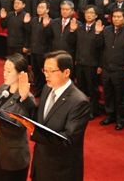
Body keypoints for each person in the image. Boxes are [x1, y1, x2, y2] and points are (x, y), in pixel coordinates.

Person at [18, 50, 90, 181]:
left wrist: (35, 132)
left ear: (66, 72)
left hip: (61, 171)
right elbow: (39, 119)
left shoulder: (79, 102)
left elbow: (68, 139)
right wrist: (24, 98)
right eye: (45, 70)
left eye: (51, 71)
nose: (46, 75)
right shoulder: (47, 88)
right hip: (40, 164)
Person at [0, 55, 34, 181]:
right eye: (4, 70)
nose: (4, 74)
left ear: (20, 74)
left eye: (9, 71)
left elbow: (18, 127)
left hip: (13, 156)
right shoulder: (4, 88)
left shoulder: (26, 98)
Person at [98, 8, 124, 130]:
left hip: (121, 69)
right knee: (108, 94)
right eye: (114, 17)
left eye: (119, 17)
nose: (116, 19)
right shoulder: (106, 30)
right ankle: (110, 116)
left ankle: (121, 120)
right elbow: (100, 48)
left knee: (120, 97)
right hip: (107, 68)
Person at [69, 5, 104, 119]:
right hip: (80, 62)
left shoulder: (99, 28)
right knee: (81, 89)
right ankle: (82, 110)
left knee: (92, 90)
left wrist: (98, 33)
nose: (88, 15)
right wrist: (72, 31)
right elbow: (72, 43)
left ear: (96, 15)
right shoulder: (79, 27)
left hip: (92, 64)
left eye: (91, 13)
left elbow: (101, 47)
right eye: (86, 13)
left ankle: (93, 111)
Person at [24, 0, 51, 97]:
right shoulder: (34, 20)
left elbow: (49, 37)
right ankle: (37, 89)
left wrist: (46, 26)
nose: (39, 9)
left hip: (43, 52)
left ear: (47, 10)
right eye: (38, 7)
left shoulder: (50, 21)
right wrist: (26, 23)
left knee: (43, 72)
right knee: (35, 71)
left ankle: (43, 91)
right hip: (33, 50)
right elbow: (29, 33)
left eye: (42, 7)